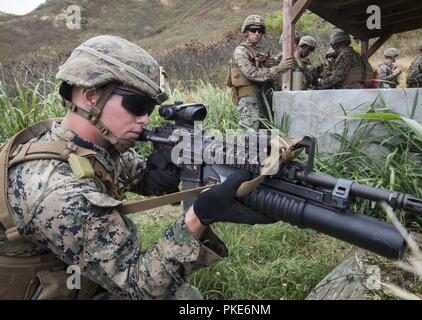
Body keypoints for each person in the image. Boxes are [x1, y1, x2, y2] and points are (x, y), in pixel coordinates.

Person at [0, 35, 273, 300]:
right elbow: (140, 285)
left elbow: (132, 173)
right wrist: (198, 216)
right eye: (137, 105)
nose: (144, 119)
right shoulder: (54, 190)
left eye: (150, 109)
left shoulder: (87, 145)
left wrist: (161, 172)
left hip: (72, 275)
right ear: (90, 96)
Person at [228, 15, 293, 130]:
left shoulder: (260, 52)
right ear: (246, 32)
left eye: (260, 31)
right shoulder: (240, 51)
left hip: (263, 98)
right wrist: (279, 68)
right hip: (249, 100)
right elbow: (252, 73)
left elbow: (272, 63)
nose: (257, 33)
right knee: (249, 138)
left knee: (264, 137)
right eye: (253, 30)